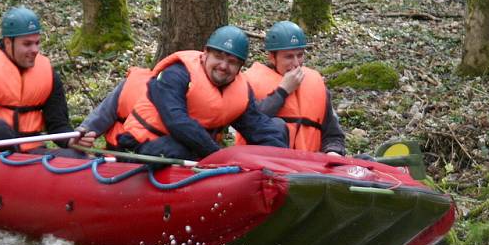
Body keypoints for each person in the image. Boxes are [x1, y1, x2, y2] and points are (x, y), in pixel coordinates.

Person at [105, 25, 287, 160]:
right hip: (140, 146)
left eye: (232, 62)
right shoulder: (176, 74)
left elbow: (259, 127)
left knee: (275, 131)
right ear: (205, 53)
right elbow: (177, 122)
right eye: (218, 57)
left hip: (196, 150)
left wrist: (281, 157)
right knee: (176, 150)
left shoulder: (240, 91)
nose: (223, 66)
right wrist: (218, 156)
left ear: (240, 67)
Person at [0, 6, 79, 155]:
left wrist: (72, 140)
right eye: (27, 44)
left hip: (32, 152)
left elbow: (58, 126)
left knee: (78, 156)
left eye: (37, 43)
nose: (35, 50)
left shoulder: (49, 75)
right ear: (8, 43)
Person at [240, 21, 345, 155]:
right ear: (272, 57)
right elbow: (250, 124)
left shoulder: (316, 83)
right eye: (289, 57)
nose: (296, 64)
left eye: (300, 55)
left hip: (309, 169)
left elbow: (334, 136)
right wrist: (282, 92)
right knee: (276, 124)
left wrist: (333, 152)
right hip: (264, 165)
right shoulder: (250, 81)